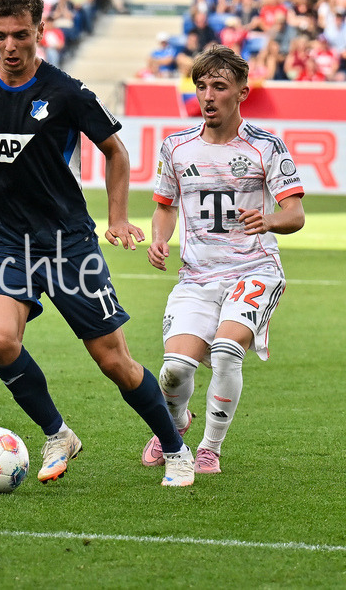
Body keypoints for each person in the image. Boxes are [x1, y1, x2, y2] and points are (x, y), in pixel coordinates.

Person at [0, 0, 194, 487]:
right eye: (1, 36)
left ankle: (175, 447)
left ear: (40, 32)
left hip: (68, 244)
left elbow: (116, 152)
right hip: (3, 241)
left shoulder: (66, 92)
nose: (10, 47)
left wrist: (117, 218)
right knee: (0, 339)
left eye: (21, 35)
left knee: (113, 360)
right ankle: (57, 432)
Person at [141, 44, 305, 475]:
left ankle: (210, 448)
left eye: (219, 86)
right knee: (174, 371)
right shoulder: (176, 147)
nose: (208, 95)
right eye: (201, 86)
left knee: (228, 350)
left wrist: (268, 220)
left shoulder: (266, 147)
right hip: (196, 276)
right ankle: (175, 426)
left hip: (254, 269)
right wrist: (160, 239)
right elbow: (164, 205)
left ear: (241, 93)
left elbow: (296, 214)